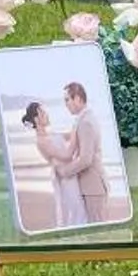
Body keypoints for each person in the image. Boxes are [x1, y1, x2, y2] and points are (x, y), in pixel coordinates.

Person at [23, 100, 86, 225]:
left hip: (70, 174)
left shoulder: (51, 134)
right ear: (36, 119)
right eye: (43, 112)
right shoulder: (42, 141)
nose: (47, 114)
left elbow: (70, 135)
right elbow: (66, 155)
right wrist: (75, 132)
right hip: (64, 178)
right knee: (73, 210)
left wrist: (79, 122)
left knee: (78, 209)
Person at [58, 79, 112, 218]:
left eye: (67, 100)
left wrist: (64, 172)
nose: (65, 105)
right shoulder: (84, 118)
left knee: (97, 232)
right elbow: (75, 135)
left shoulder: (86, 122)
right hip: (90, 186)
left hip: (93, 187)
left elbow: (85, 159)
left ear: (77, 98)